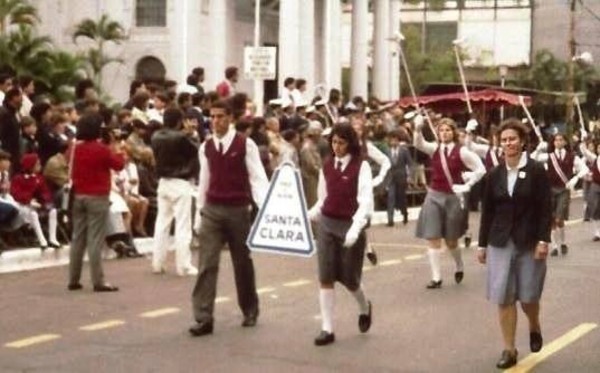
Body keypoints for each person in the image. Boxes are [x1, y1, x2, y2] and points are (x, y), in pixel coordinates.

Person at [189, 99, 269, 337]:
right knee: (207, 263)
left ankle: (250, 309)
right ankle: (203, 317)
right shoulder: (207, 147)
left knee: (242, 262)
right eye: (212, 117)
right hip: (212, 210)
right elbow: (204, 181)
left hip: (238, 209)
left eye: (220, 116)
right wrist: (199, 215)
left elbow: (257, 178)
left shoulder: (246, 145)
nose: (215, 121)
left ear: (231, 118)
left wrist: (264, 209)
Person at [477, 118, 552, 369]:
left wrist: (543, 239)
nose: (508, 143)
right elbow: (487, 210)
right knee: (503, 296)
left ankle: (534, 324)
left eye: (513, 138)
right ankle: (509, 350)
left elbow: (545, 208)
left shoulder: (536, 170)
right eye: (504, 139)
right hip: (500, 240)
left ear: (522, 141)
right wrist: (482, 244)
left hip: (529, 241)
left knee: (528, 296)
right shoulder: (495, 174)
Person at [307, 123, 373, 346]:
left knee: (350, 279)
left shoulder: (361, 166)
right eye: (334, 142)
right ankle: (327, 328)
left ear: (350, 143)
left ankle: (365, 307)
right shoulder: (326, 166)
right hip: (327, 224)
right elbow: (322, 200)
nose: (337, 147)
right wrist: (308, 215)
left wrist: (355, 229)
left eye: (342, 142)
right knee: (325, 277)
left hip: (350, 224)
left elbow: (365, 202)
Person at [413, 115, 485, 289]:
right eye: (441, 130)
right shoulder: (434, 149)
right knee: (433, 236)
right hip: (434, 195)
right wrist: (417, 128)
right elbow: (418, 144)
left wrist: (468, 184)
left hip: (453, 197)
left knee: (451, 240)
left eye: (447, 130)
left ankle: (459, 264)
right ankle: (436, 278)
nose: (444, 133)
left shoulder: (462, 151)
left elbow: (480, 169)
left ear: (453, 132)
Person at [68, 113, 125, 292]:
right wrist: (118, 147)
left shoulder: (74, 148)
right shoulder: (101, 149)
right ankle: (98, 280)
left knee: (78, 238)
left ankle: (73, 279)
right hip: (97, 196)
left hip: (78, 195)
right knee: (95, 239)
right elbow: (118, 165)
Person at [150, 107, 199, 276]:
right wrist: (192, 134)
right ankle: (183, 266)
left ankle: (158, 263)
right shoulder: (181, 138)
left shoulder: (155, 136)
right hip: (180, 182)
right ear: (180, 121)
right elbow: (195, 151)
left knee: (161, 224)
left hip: (163, 182)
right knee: (183, 226)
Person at [531, 133, 588, 256]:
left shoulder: (572, 157)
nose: (558, 142)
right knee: (552, 220)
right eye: (556, 140)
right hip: (550, 190)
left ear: (565, 142)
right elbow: (532, 159)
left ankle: (562, 242)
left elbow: (584, 169)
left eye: (561, 139)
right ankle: (556, 246)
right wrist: (538, 148)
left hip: (563, 190)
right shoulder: (549, 156)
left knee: (559, 219)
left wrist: (575, 178)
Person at [385, 128, 413, 226]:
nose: (393, 142)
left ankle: (405, 214)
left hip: (401, 176)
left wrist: (409, 176)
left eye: (395, 140)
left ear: (398, 140)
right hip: (391, 177)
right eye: (391, 140)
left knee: (402, 197)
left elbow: (409, 163)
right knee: (390, 197)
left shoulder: (404, 150)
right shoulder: (387, 151)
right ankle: (390, 220)